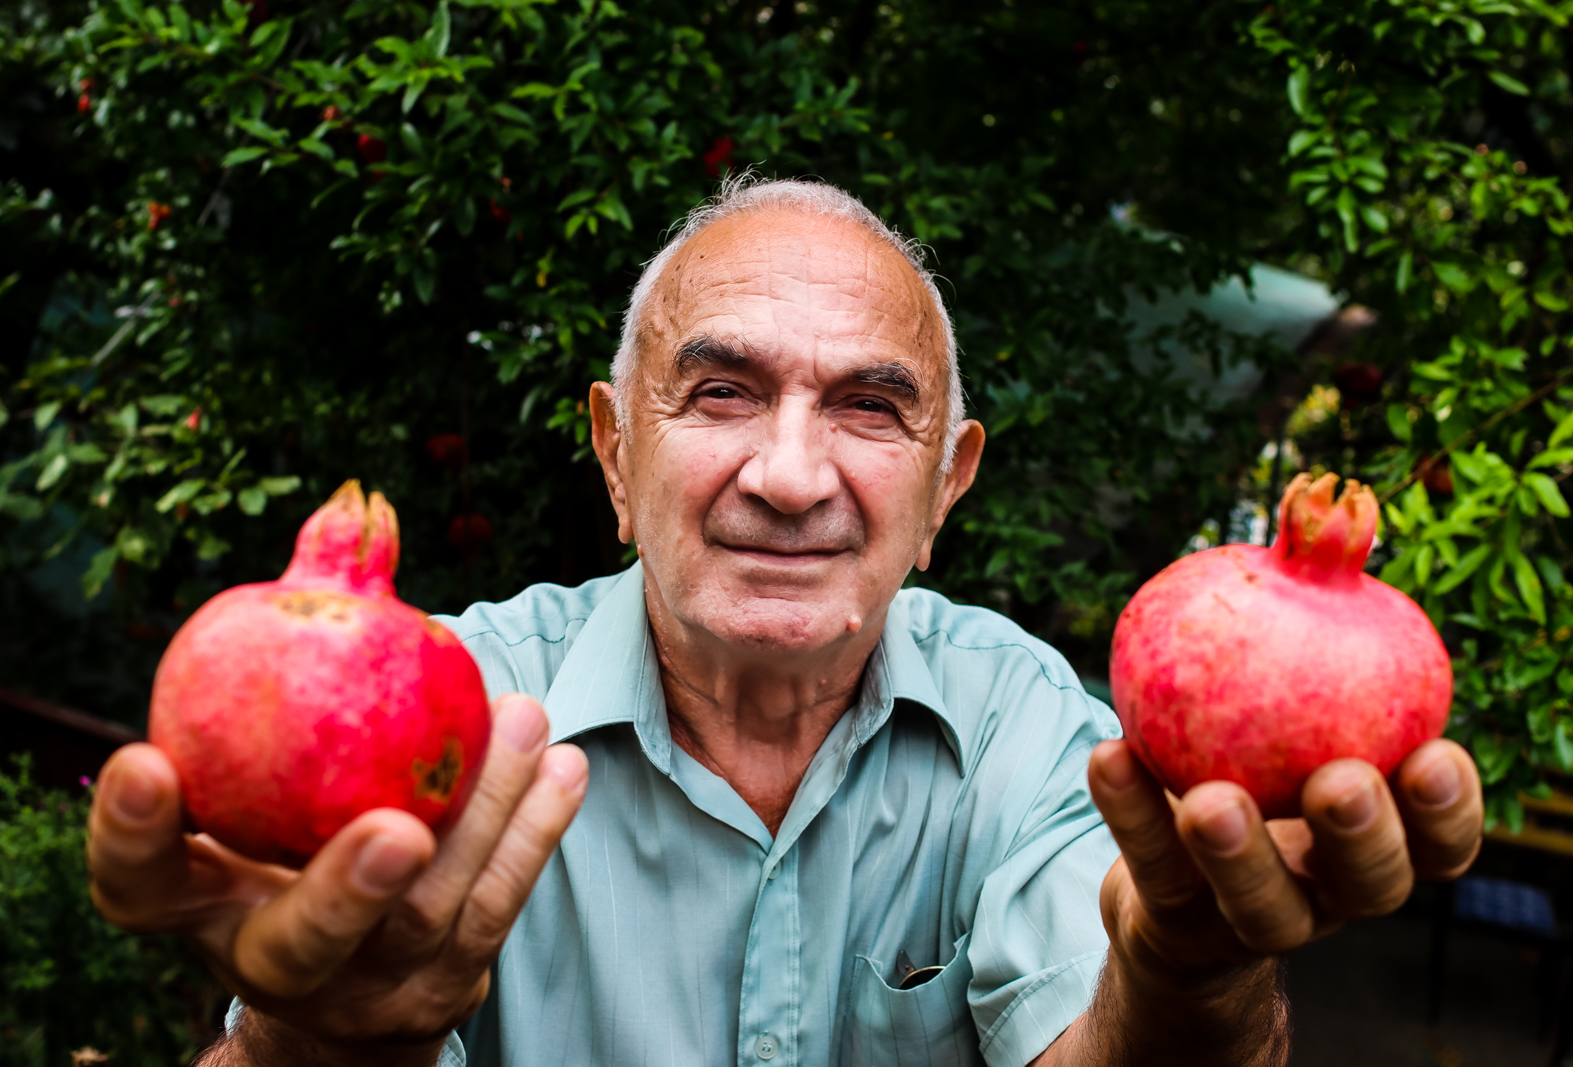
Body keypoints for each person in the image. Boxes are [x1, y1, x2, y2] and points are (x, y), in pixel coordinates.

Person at [86, 177, 1483, 1067]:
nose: (794, 474)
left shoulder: (1032, 730)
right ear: (615, 454)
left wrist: (1192, 979)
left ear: (947, 489)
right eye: (723, 393)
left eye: (870, 409)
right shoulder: (454, 723)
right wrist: (310, 1047)